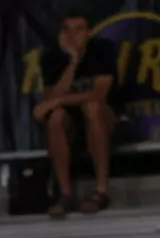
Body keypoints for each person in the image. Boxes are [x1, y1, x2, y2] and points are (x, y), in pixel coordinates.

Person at [33, 11, 117, 218]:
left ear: (88, 33)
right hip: (70, 122)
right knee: (56, 117)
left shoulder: (102, 49)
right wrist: (72, 62)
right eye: (67, 30)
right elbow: (53, 97)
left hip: (103, 119)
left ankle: (101, 190)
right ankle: (65, 193)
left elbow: (99, 93)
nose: (73, 35)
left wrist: (58, 101)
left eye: (78, 30)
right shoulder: (52, 56)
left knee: (92, 107)